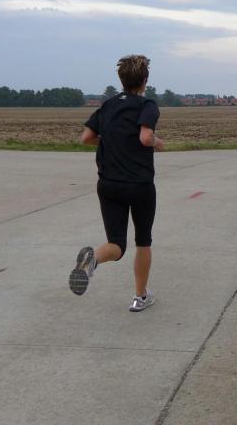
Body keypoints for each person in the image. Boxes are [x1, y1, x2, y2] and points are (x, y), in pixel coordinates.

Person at [69, 55, 165, 312]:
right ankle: (140, 297)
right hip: (139, 186)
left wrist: (112, 142)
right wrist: (158, 142)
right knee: (143, 241)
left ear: (121, 80)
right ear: (145, 80)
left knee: (116, 245)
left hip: (109, 185)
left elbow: (86, 137)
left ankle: (91, 261)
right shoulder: (147, 105)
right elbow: (145, 137)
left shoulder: (108, 105)